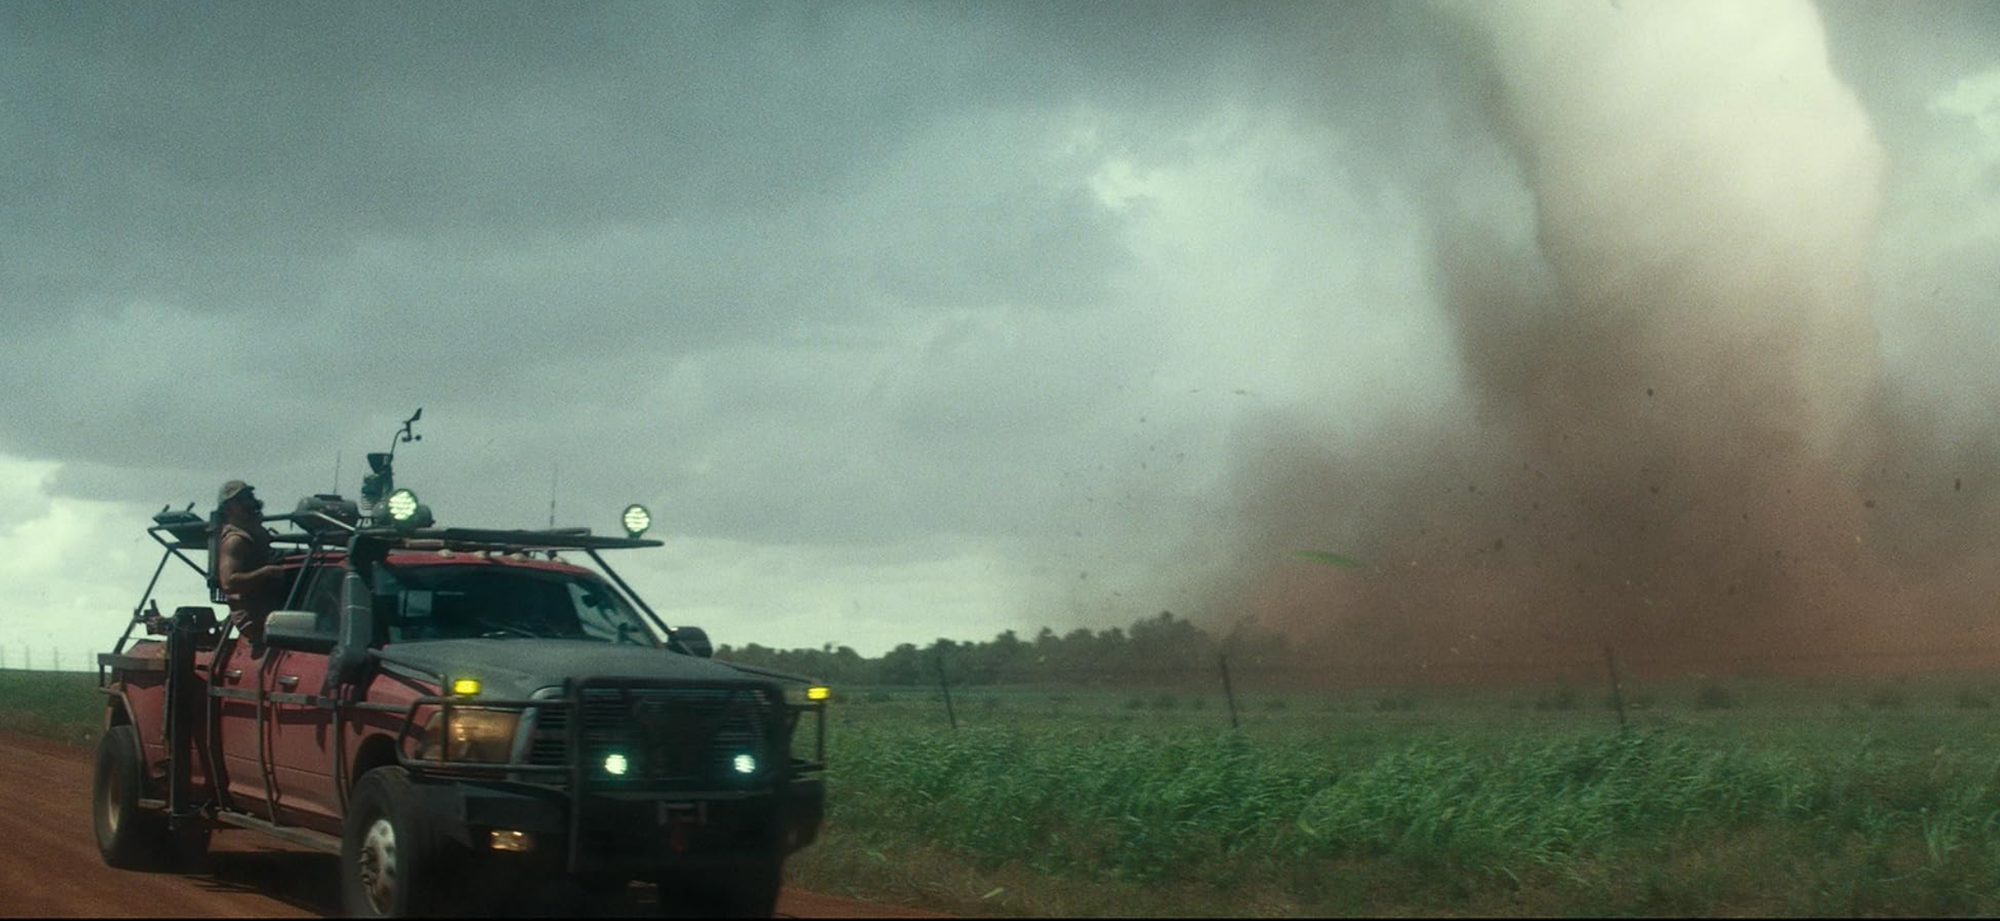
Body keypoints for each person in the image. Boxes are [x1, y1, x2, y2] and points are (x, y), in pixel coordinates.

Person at [214, 480, 283, 647]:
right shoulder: (236, 540)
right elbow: (229, 583)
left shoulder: (254, 531)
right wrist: (267, 571)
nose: (248, 503)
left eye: (249, 497)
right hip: (254, 617)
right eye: (240, 500)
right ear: (227, 508)